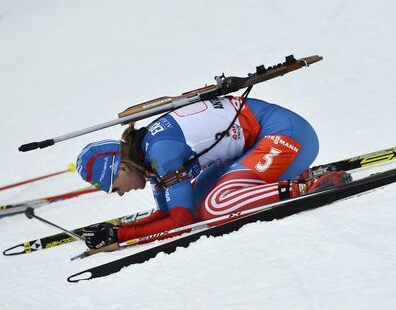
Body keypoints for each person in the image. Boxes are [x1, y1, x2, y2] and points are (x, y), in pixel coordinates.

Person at [76, 96, 350, 249]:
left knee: (214, 209)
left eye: (115, 187)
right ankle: (289, 177)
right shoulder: (148, 158)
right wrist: (118, 231)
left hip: (288, 136)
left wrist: (121, 237)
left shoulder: (160, 154)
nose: (122, 194)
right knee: (197, 204)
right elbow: (172, 214)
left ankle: (304, 187)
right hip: (258, 144)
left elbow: (181, 222)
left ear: (122, 167)